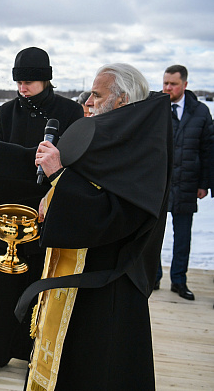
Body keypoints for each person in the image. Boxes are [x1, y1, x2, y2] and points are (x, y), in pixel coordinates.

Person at [20, 63, 171, 390]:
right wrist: (53, 195)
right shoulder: (110, 136)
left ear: (121, 100)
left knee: (97, 371)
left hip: (106, 287)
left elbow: (117, 218)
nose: (87, 100)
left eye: (97, 94)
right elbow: (86, 190)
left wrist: (59, 175)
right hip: (76, 277)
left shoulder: (140, 148)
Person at [0, 47, 84, 379]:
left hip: (50, 211)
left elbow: (58, 159)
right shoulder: (6, 112)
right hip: (9, 217)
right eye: (18, 81)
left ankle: (39, 355)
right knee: (1, 289)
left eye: (29, 81)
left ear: (46, 79)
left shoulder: (71, 112)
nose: (22, 88)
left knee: (42, 285)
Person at [155, 65, 213, 300]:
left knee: (183, 237)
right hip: (158, 183)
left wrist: (204, 183)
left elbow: (208, 149)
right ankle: (153, 277)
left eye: (173, 84)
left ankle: (179, 281)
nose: (168, 88)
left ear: (185, 85)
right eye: (165, 82)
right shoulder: (155, 109)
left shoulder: (201, 112)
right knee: (154, 234)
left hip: (188, 182)